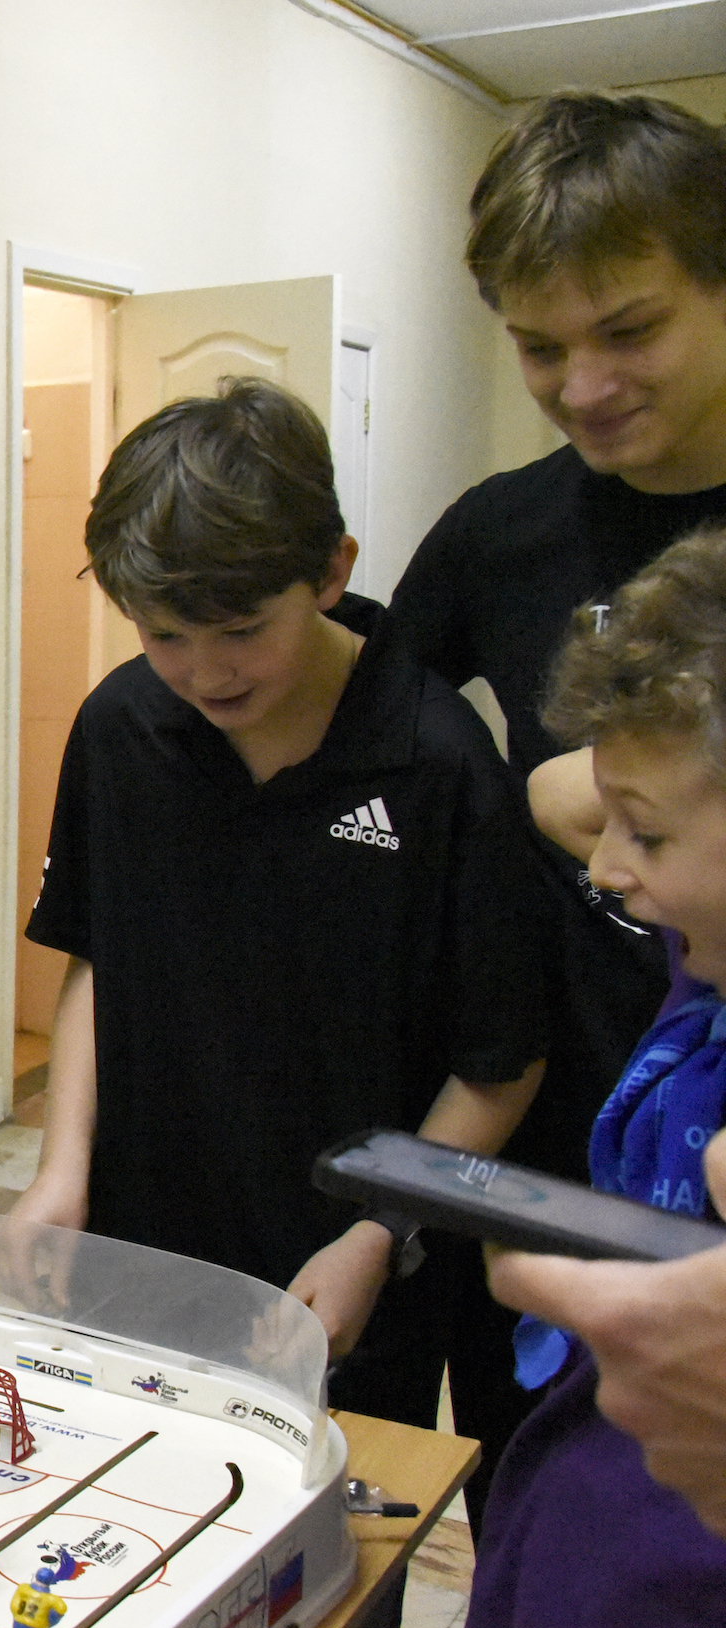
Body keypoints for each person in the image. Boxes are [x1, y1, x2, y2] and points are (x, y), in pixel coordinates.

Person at [6, 377, 549, 1628]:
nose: (204, 672)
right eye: (163, 635)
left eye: (240, 629)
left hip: (348, 1283)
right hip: (143, 1251)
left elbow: (500, 1062)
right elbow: (98, 961)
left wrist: (375, 1232)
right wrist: (61, 1168)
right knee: (135, 1582)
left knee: (320, 1626)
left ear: (332, 571)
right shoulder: (122, 728)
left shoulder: (436, 758)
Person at [381, 91, 726, 1526]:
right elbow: (380, 744)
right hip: (540, 1131)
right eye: (538, 347)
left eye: (629, 330)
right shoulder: (499, 531)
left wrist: (577, 782)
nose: (583, 386)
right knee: (539, 1510)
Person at [457, 528, 726, 1628]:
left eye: (647, 834)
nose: (608, 866)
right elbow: (552, 790)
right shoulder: (704, 955)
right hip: (585, 1551)